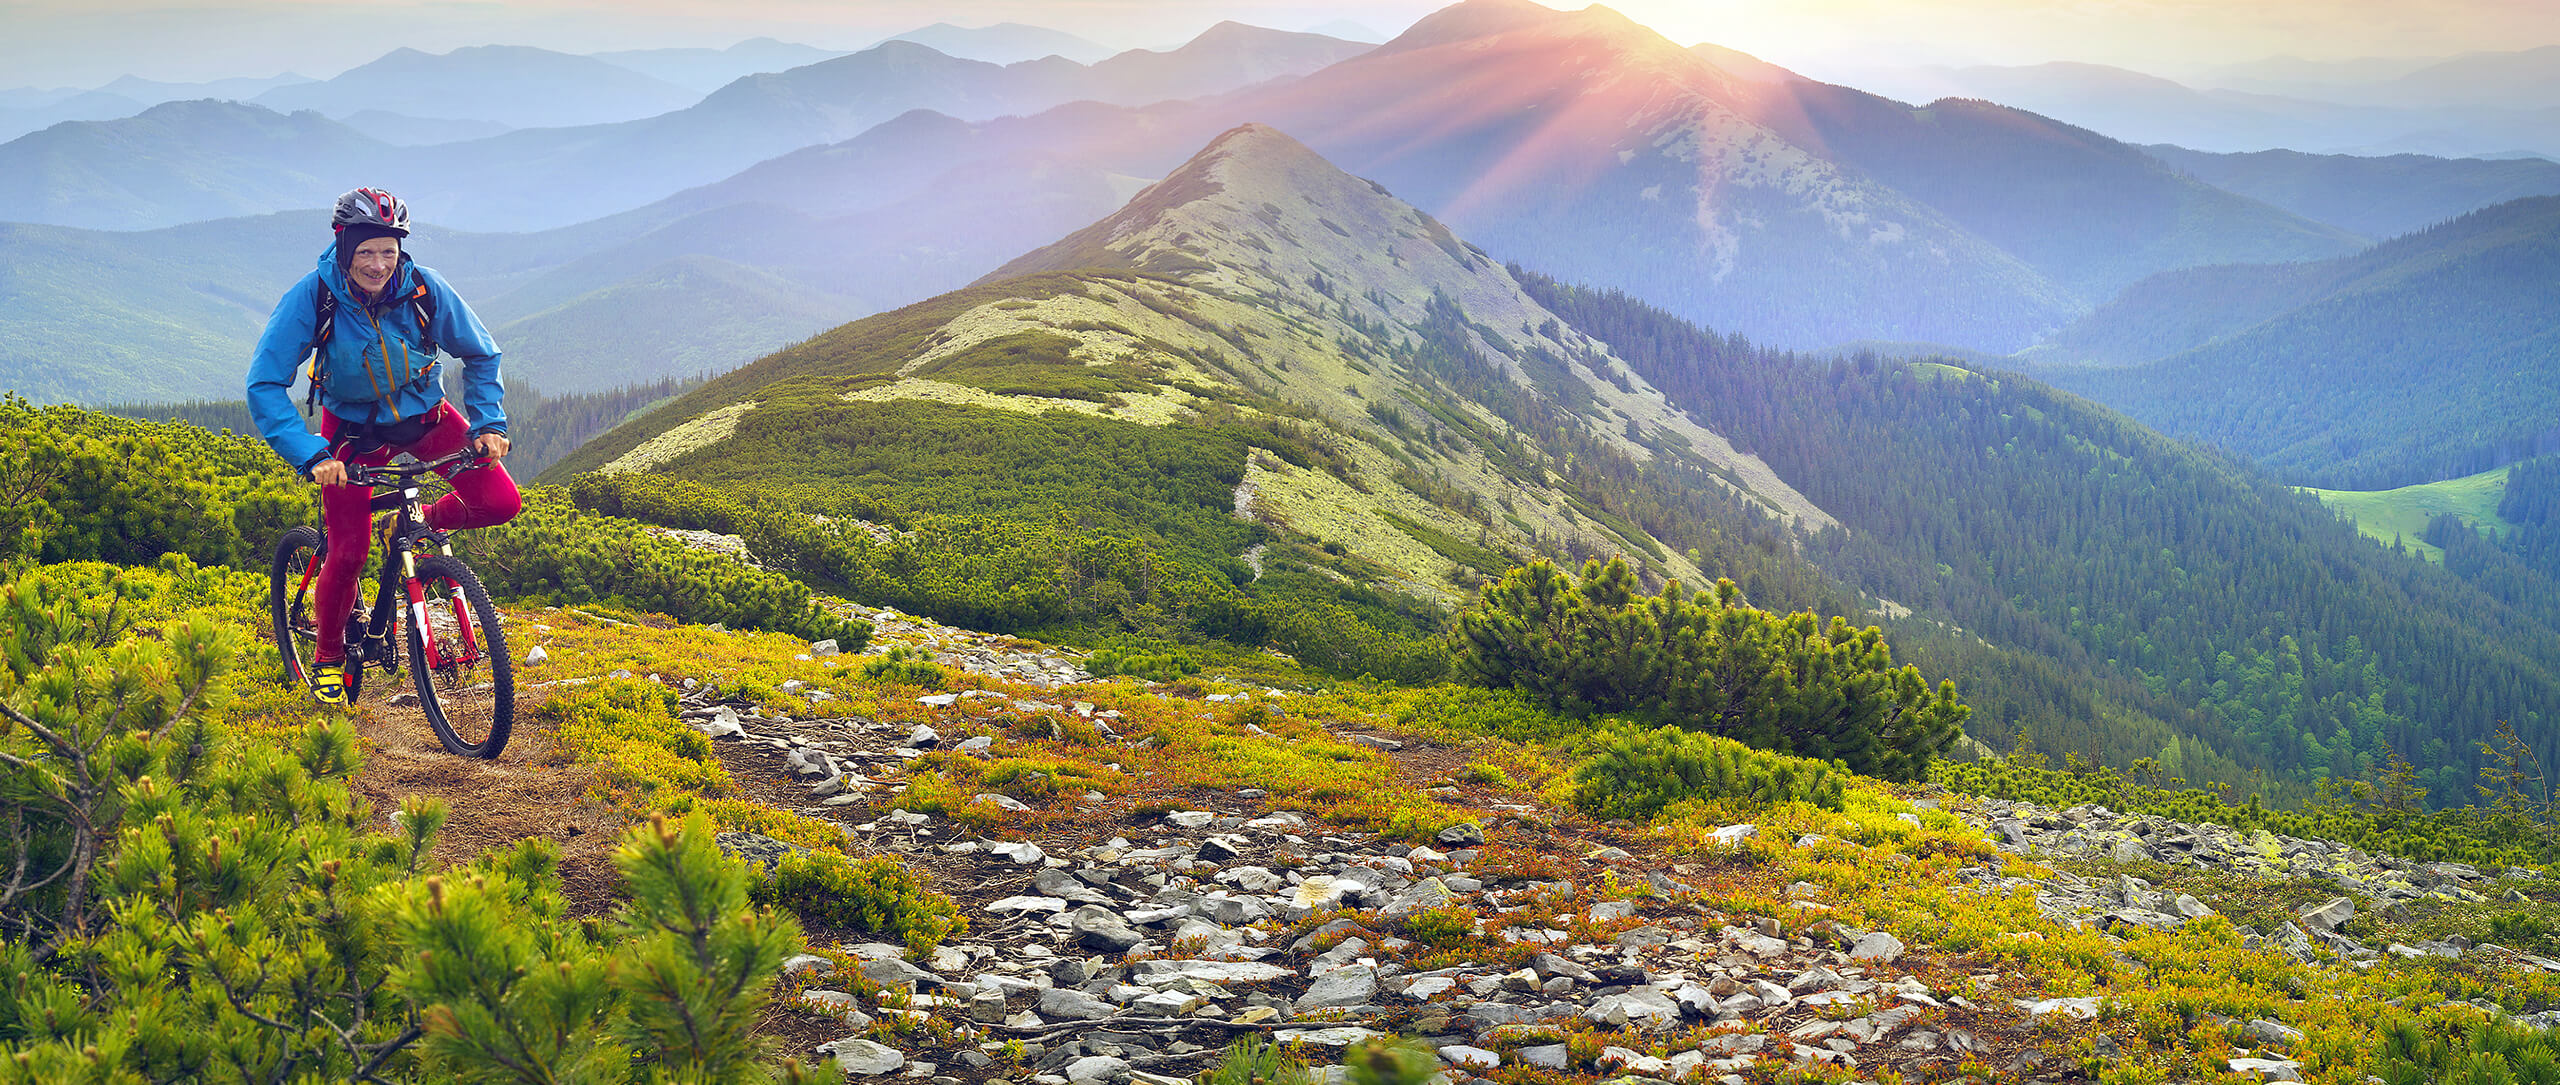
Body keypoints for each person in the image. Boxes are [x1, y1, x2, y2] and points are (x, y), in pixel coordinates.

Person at [247, 186, 522, 705]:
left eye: (388, 252)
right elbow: (264, 383)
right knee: (348, 554)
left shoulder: (423, 289)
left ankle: (415, 523)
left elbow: (482, 354)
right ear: (345, 246)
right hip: (351, 436)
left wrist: (489, 424)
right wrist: (313, 455)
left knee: (500, 501)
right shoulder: (315, 297)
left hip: (426, 417)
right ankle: (328, 654)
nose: (377, 265)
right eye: (366, 252)